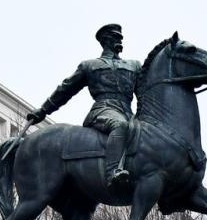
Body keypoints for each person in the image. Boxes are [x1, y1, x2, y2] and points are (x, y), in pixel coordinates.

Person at [27, 24, 140, 191]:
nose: (120, 39)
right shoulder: (90, 65)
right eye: (115, 37)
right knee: (120, 126)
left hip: (128, 113)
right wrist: (44, 110)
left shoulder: (134, 66)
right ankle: (113, 172)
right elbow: (65, 89)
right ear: (105, 40)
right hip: (103, 110)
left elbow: (145, 93)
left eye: (120, 37)